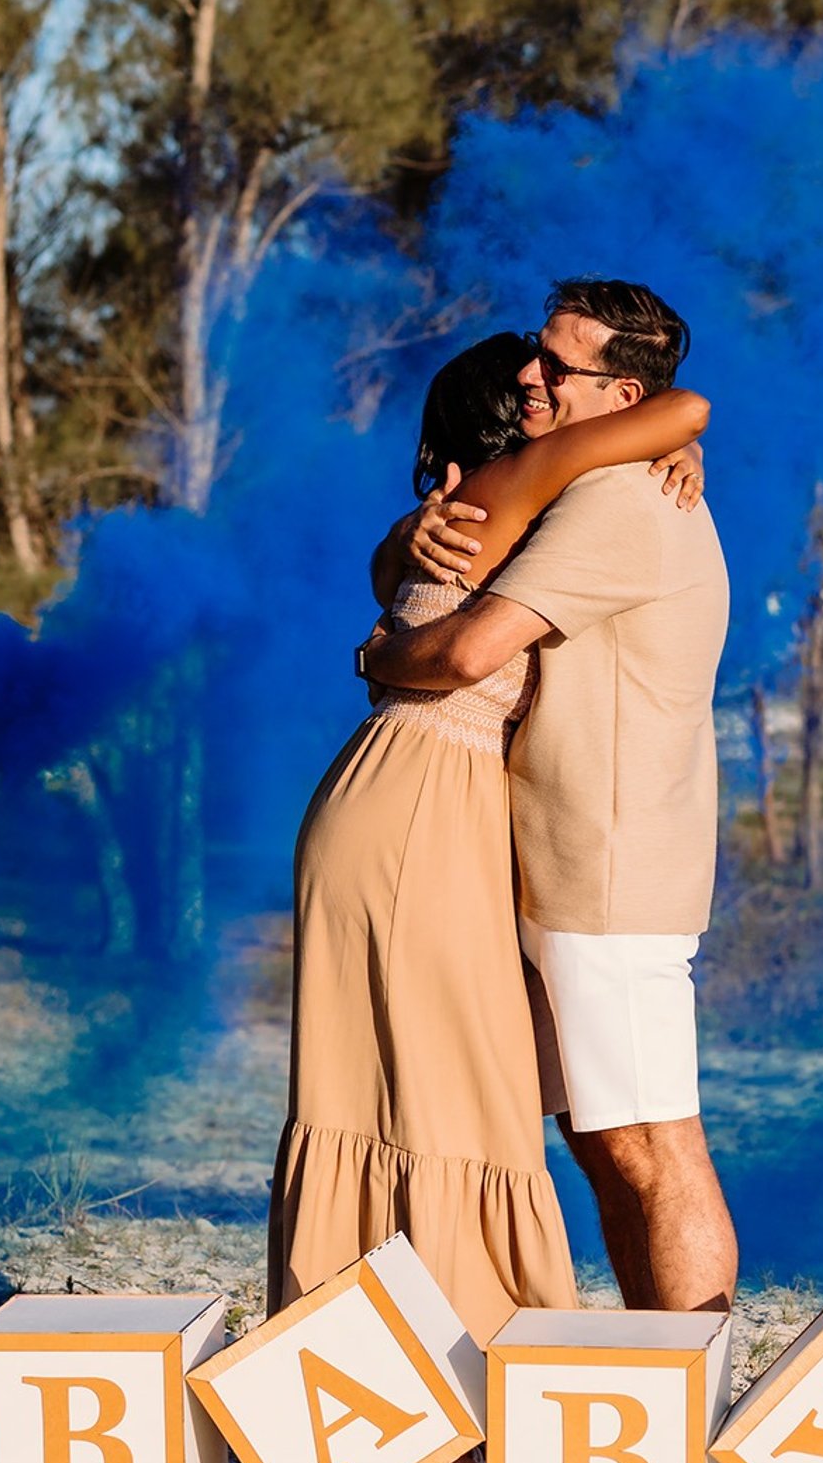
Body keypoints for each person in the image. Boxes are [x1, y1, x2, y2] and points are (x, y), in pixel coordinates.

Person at [268, 330, 711, 1344]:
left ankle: (395, 1353)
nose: (548, 391)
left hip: (407, 795)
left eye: (557, 376)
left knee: (413, 1091)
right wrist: (678, 438)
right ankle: (469, 1350)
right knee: (447, 1096)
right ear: (508, 418)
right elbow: (685, 408)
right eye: (534, 384)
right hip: (426, 796)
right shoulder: (520, 479)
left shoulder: (463, 509)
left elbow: (664, 422)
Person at [364, 280, 738, 1316]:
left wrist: (383, 655)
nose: (529, 374)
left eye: (556, 367)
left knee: (656, 1143)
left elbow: (478, 644)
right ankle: (652, 1370)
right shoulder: (604, 481)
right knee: (602, 1141)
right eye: (535, 353)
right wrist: (409, 538)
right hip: (562, 865)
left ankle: (689, 1399)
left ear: (621, 392)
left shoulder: (624, 500)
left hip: (609, 874)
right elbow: (456, 539)